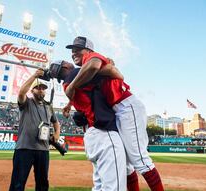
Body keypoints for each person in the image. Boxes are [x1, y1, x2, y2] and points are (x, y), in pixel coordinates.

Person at [65, 36, 164, 191]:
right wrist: (68, 103)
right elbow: (91, 86)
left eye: (78, 49)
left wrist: (72, 85)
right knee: (126, 166)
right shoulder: (84, 70)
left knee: (139, 159)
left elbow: (95, 66)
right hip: (118, 111)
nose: (74, 52)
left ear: (89, 50)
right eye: (72, 50)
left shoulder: (91, 58)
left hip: (127, 106)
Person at [59, 61, 127, 191]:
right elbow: (115, 73)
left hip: (91, 134)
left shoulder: (73, 87)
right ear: (66, 67)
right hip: (104, 133)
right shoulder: (76, 73)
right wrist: (108, 63)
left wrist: (69, 104)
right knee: (114, 187)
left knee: (99, 185)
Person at [9, 69, 60, 191]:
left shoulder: (48, 106)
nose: (41, 90)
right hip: (24, 148)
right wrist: (34, 76)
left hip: (43, 149)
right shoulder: (27, 103)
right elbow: (21, 93)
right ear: (32, 91)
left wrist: (57, 133)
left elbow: (56, 122)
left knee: (42, 183)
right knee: (18, 183)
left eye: (43, 88)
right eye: (38, 88)